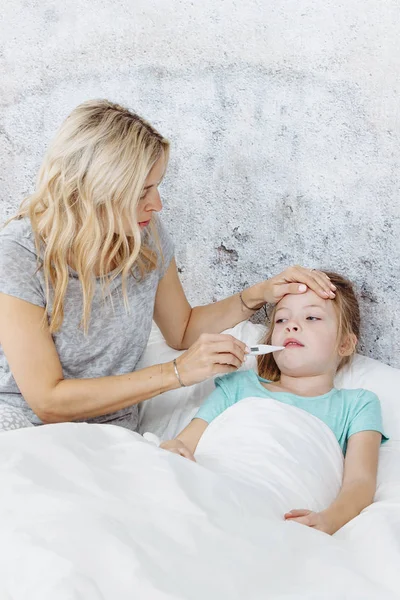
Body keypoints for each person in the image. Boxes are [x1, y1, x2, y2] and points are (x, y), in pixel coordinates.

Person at [0, 99, 336, 433]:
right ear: (94, 191)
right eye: (143, 191)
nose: (156, 204)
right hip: (27, 431)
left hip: (112, 435)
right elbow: (48, 401)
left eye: (157, 186)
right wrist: (176, 373)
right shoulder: (19, 253)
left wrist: (258, 294)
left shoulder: (144, 234)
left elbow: (183, 330)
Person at [161, 272, 388, 535]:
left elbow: (360, 483)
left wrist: (330, 520)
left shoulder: (358, 404)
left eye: (311, 317)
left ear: (346, 344)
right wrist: (174, 454)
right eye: (281, 319)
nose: (291, 326)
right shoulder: (237, 385)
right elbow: (182, 444)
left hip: (278, 514)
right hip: (211, 491)